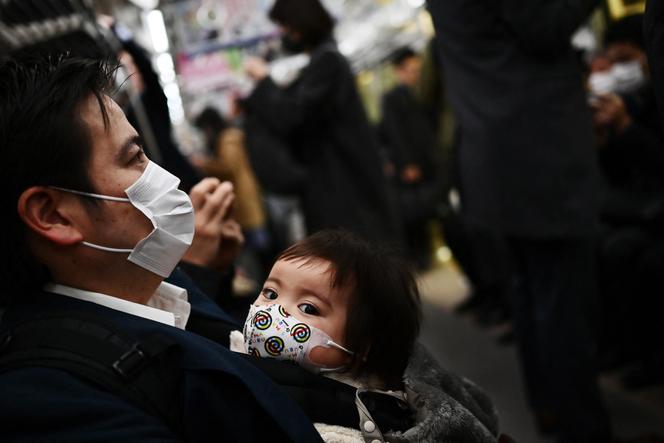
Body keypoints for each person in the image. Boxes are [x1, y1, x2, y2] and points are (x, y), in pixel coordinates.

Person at [0, 55, 323, 442]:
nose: (166, 177)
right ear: (54, 215)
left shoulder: (154, 289)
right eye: (135, 158)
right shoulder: (57, 404)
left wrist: (208, 271)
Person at [426, 1, 612, 442]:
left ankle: (553, 412)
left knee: (533, 295)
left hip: (498, 154)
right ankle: (583, 429)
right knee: (561, 300)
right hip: (537, 147)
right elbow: (543, 26)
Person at [230, 230, 506, 442]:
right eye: (270, 293)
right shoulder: (232, 352)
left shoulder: (354, 426)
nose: (274, 311)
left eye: (308, 308)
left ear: (362, 345)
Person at [242, 0, 400, 246]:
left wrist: (264, 81)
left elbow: (291, 115)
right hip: (340, 186)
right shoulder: (323, 61)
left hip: (345, 189)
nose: (284, 35)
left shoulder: (328, 62)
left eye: (286, 27)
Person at [379, 47, 440, 269]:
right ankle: (420, 257)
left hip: (431, 162)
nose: (415, 74)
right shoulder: (392, 98)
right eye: (410, 69)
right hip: (412, 167)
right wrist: (407, 163)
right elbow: (395, 134)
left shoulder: (424, 93)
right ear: (399, 71)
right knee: (415, 214)